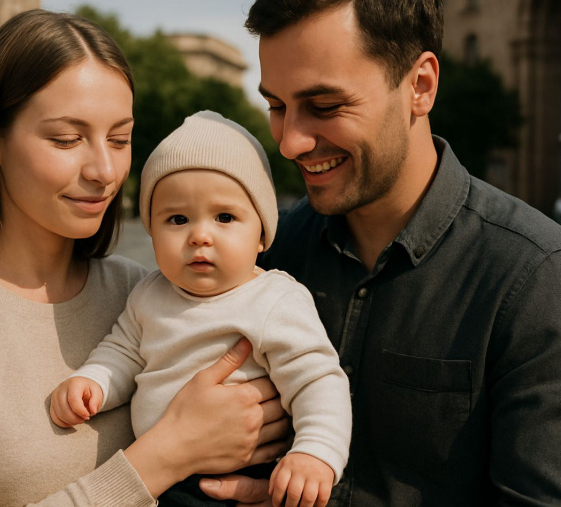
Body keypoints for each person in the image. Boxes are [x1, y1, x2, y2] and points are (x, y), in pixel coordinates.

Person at [198, 0, 561, 505]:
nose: (290, 142)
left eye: (324, 106)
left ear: (420, 85)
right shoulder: (269, 251)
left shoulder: (538, 279)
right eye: (276, 106)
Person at [0, 10, 288, 506]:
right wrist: (163, 458)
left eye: (120, 139)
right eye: (66, 139)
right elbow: (171, 456)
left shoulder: (143, 290)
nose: (104, 170)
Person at [50, 110, 351, 507]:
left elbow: (318, 381)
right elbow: (122, 352)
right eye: (177, 219)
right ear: (152, 231)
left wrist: (315, 453)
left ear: (262, 233)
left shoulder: (274, 299)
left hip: (239, 477)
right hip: (157, 480)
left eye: (225, 217)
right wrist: (94, 382)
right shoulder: (148, 293)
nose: (200, 236)